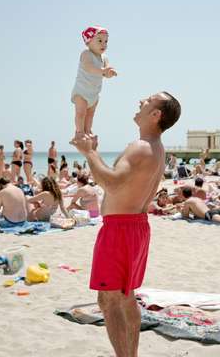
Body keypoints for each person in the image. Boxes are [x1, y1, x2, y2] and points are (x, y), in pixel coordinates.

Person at [71, 91, 181, 357]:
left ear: (156, 115)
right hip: (136, 227)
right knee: (125, 296)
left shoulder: (141, 147)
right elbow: (122, 181)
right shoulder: (155, 147)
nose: (140, 101)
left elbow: (112, 183)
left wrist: (90, 153)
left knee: (110, 299)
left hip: (120, 229)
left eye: (148, 100)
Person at [70, 26, 117, 142]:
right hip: (81, 92)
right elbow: (89, 68)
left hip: (94, 93)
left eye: (106, 41)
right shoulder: (86, 54)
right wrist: (103, 71)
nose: (103, 44)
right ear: (88, 42)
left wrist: (109, 73)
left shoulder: (104, 58)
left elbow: (106, 72)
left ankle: (87, 130)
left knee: (90, 114)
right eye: (99, 40)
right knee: (81, 113)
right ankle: (79, 133)